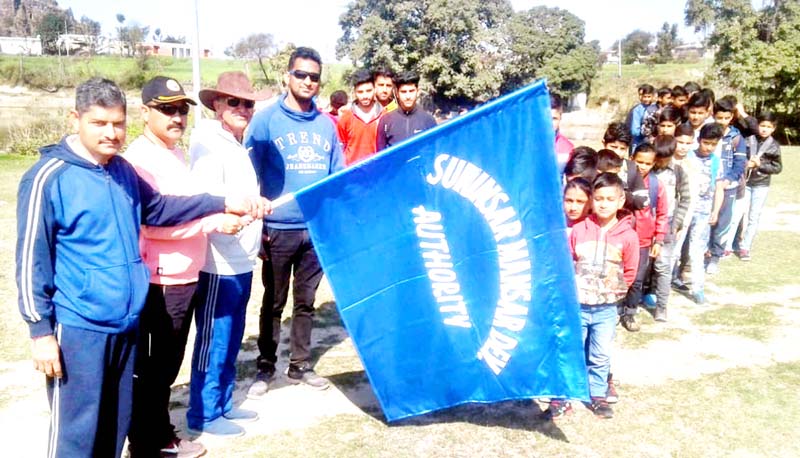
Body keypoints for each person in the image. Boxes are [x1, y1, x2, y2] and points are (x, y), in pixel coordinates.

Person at [15, 77, 264, 458]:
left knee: (113, 425)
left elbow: (159, 209)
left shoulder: (121, 170)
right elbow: (32, 259)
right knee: (77, 431)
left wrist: (222, 202)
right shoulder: (48, 177)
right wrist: (40, 332)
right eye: (99, 123)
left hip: (125, 321)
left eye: (117, 123)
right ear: (75, 119)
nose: (111, 133)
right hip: (80, 325)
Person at [124, 76, 241, 457]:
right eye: (167, 109)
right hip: (162, 280)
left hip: (185, 275)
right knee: (155, 368)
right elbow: (153, 224)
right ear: (145, 112)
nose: (177, 117)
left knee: (166, 365)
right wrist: (214, 222)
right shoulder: (140, 160)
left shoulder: (173, 152)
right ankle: (150, 443)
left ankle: (159, 436)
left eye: (181, 110)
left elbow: (183, 211)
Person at [246, 46, 345, 396]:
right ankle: (265, 367)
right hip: (277, 229)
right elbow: (249, 175)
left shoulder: (326, 125)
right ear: (287, 76)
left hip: (313, 230)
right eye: (300, 74)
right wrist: (257, 228)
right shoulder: (265, 120)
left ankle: (299, 365)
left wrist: (331, 224)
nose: (307, 81)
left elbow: (337, 177)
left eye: (314, 77)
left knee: (305, 302)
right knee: (273, 302)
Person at [186, 71, 267, 437]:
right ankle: (203, 413)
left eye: (248, 103)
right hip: (218, 261)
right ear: (217, 104)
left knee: (233, 335)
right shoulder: (208, 143)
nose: (242, 109)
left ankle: (223, 402)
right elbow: (206, 201)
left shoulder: (235, 143)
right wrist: (236, 212)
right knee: (214, 339)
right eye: (233, 102)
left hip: (241, 258)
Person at [569, 173, 640, 419]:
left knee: (600, 354)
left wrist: (614, 292)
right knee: (573, 348)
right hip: (578, 306)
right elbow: (570, 262)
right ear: (592, 200)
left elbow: (630, 271)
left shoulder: (628, 236)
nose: (603, 204)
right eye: (598, 198)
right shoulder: (579, 230)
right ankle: (567, 393)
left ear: (621, 202)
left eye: (610, 199)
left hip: (606, 309)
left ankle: (597, 394)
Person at [621, 143, 668, 332]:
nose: (642, 166)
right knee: (618, 274)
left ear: (654, 164)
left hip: (643, 240)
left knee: (637, 278)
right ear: (631, 159)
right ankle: (615, 308)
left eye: (648, 163)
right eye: (639, 161)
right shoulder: (622, 180)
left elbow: (663, 214)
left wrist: (659, 239)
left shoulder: (656, 185)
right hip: (621, 237)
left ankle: (630, 311)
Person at [647, 135, 691, 322]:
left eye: (665, 159)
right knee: (643, 265)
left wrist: (676, 224)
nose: (661, 162)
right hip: (645, 222)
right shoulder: (646, 168)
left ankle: (661, 307)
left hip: (667, 223)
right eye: (658, 158)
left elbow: (685, 199)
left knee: (663, 266)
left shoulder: (678, 172)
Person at [683, 123, 725, 304]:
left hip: (703, 212)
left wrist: (715, 211)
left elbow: (719, 188)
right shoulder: (687, 157)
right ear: (699, 140)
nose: (709, 147)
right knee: (675, 249)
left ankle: (698, 288)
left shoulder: (717, 162)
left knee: (697, 251)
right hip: (684, 210)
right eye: (706, 143)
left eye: (713, 144)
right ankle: (665, 285)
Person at [705, 96, 747, 274]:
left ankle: (715, 257)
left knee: (722, 223)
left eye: (726, 118)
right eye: (719, 117)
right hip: (707, 185)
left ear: (732, 117)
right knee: (705, 220)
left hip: (727, 187)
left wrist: (728, 179)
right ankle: (702, 253)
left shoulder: (736, 137)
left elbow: (740, 164)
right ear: (713, 115)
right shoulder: (707, 133)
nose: (722, 121)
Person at [737, 111, 782, 260]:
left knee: (753, 216)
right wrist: (746, 164)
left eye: (768, 127)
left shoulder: (774, 146)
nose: (764, 129)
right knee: (737, 213)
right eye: (762, 125)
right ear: (757, 125)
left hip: (761, 185)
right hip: (745, 182)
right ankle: (730, 245)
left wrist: (760, 165)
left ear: (773, 129)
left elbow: (777, 168)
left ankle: (745, 247)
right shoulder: (748, 140)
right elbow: (739, 158)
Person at [376, 70, 437, 150]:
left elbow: (435, 151)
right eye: (403, 92)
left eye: (411, 91)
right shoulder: (385, 121)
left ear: (417, 92)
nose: (408, 96)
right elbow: (380, 154)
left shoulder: (428, 120)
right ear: (397, 93)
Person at [337, 69, 383, 165]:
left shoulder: (384, 116)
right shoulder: (346, 118)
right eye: (360, 92)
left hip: (377, 169)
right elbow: (340, 148)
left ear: (375, 89)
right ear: (354, 92)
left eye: (368, 91)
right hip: (352, 170)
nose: (365, 96)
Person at [601, 122, 650, 211]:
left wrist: (621, 192)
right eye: (613, 147)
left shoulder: (631, 168)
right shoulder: (594, 163)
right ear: (604, 143)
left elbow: (642, 200)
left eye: (622, 149)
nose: (617, 152)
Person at [550, 93, 574, 172]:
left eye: (554, 118)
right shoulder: (524, 145)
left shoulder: (568, 148)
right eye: (546, 118)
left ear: (560, 117)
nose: (549, 123)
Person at [629, 84, 656, 150]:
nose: (646, 99)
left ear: (653, 96)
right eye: (644, 97)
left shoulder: (656, 107)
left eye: (648, 97)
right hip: (639, 141)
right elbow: (635, 130)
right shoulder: (637, 109)